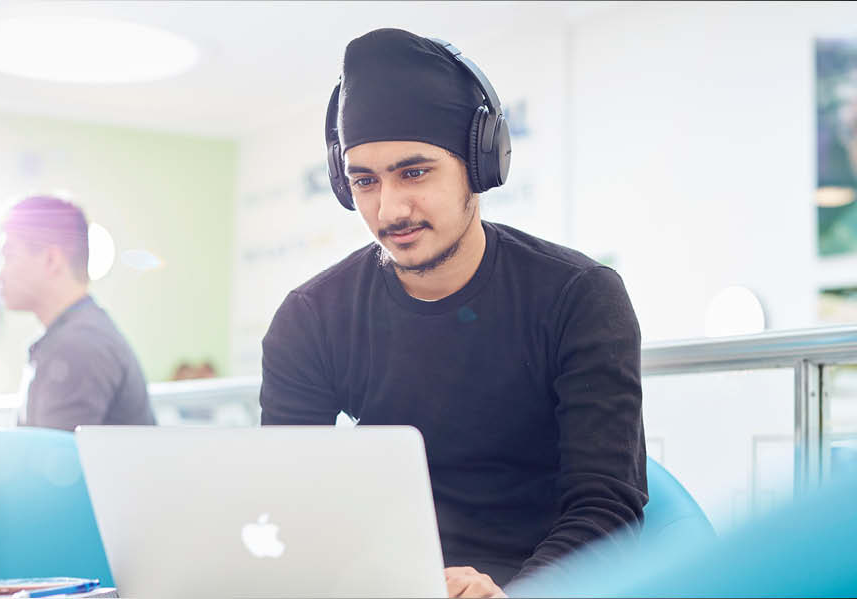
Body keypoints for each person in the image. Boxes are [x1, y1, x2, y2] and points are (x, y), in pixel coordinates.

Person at [260, 29, 646, 598]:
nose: (390, 209)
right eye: (365, 181)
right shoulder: (311, 317)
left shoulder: (580, 297)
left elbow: (606, 508)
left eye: (414, 172)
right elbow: (288, 502)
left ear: (479, 164)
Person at [0, 195, 155, 431]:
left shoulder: (78, 345)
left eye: (9, 256)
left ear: (51, 260)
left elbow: (50, 465)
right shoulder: (75, 333)